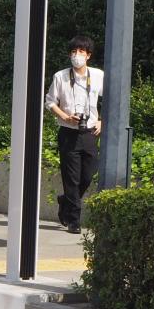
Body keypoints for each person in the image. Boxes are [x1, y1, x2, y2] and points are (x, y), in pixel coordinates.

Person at [45, 34, 104, 233]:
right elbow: (50, 102)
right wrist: (65, 116)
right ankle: (73, 221)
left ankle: (66, 202)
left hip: (90, 133)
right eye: (73, 51)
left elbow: (111, 100)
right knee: (71, 178)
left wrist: (102, 121)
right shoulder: (60, 76)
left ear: (88, 55)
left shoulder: (98, 75)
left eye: (81, 52)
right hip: (68, 132)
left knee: (88, 174)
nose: (76, 55)